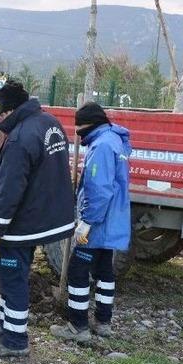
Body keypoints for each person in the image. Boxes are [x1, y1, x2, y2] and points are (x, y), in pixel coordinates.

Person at [0, 80, 75, 357]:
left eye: (1, 114)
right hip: (41, 218)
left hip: (20, 225)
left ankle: (14, 340)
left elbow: (9, 190)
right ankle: (2, 324)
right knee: (14, 274)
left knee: (13, 278)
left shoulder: (21, 138)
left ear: (8, 111)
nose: (0, 119)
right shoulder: (50, 123)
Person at [51, 102, 131, 343]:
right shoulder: (116, 140)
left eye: (79, 128)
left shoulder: (102, 146)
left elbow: (99, 189)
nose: (78, 133)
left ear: (90, 124)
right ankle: (103, 322)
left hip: (98, 222)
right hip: (113, 219)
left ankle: (78, 326)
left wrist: (87, 221)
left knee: (78, 269)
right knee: (105, 269)